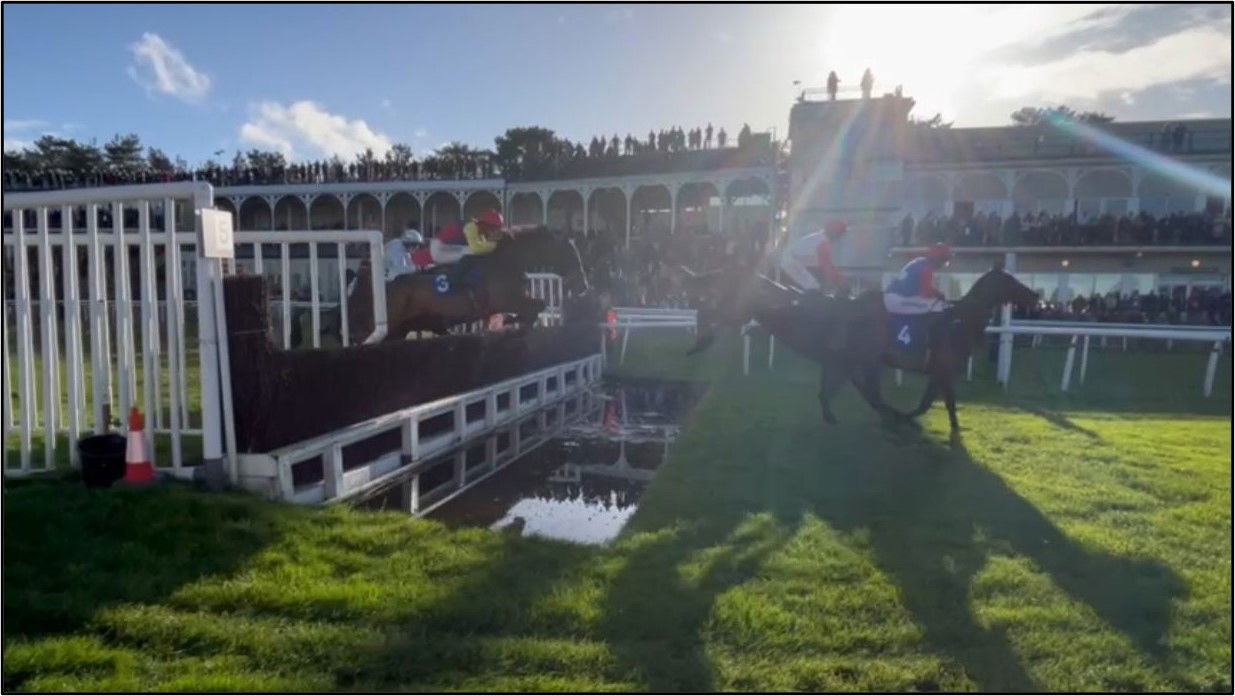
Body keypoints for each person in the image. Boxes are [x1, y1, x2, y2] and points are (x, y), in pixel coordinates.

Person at [780, 220, 848, 295]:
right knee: (814, 289)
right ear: (835, 233)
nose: (839, 238)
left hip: (791, 263)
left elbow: (822, 265)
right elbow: (826, 265)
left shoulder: (818, 237)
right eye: (840, 235)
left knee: (814, 287)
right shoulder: (823, 242)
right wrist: (839, 280)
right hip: (792, 264)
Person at [884, 243, 952, 314]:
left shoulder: (921, 262)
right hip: (898, 299)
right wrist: (939, 294)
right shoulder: (927, 267)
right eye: (944, 260)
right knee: (938, 306)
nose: (942, 264)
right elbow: (926, 292)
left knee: (935, 304)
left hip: (895, 298)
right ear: (938, 258)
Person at [429, 209, 503, 266]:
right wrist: (498, 246)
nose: (494, 232)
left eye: (496, 229)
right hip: (439, 249)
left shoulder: (481, 232)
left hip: (450, 247)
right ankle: (456, 280)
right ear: (485, 224)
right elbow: (476, 248)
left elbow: (485, 247)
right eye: (493, 228)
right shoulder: (470, 227)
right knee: (471, 252)